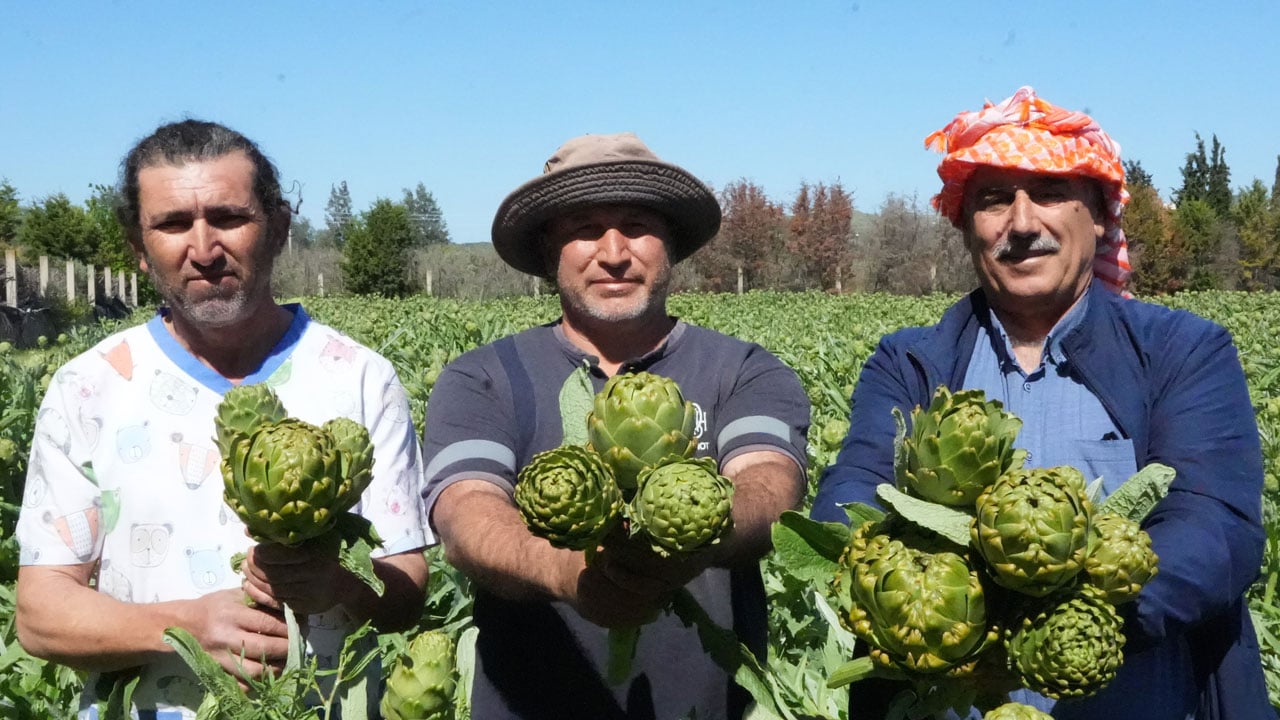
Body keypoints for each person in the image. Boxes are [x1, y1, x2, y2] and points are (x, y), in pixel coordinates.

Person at [812, 86, 1271, 719]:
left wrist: (1051, 617)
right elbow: (852, 493)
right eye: (994, 199)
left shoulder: (1182, 352)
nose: (1022, 223)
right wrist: (936, 610)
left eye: (1051, 193)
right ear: (965, 223)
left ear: (1102, 215)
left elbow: (1217, 529)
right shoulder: (910, 363)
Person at [15, 120, 430, 719]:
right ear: (138, 244)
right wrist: (184, 626)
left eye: (229, 217)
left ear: (279, 227)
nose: (204, 249)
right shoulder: (88, 388)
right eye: (173, 224)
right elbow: (40, 615)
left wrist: (339, 587)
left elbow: (407, 589)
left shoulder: (360, 378)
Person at [422, 132, 811, 719]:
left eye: (636, 224)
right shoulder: (484, 377)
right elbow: (463, 512)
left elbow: (770, 486)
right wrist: (568, 570)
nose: (613, 251)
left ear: (671, 242)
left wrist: (693, 537)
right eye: (583, 227)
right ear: (549, 244)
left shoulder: (743, 370)